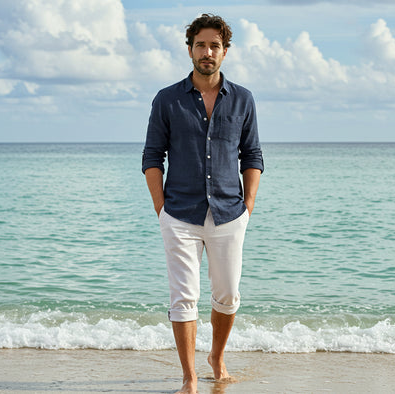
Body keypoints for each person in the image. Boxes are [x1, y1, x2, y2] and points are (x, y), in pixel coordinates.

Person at [142, 13, 264, 394]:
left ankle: (217, 357)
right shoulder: (167, 100)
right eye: (200, 45)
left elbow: (252, 156)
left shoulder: (243, 99)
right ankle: (189, 378)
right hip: (179, 214)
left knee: (227, 295)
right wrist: (161, 210)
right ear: (189, 49)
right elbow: (152, 157)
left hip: (229, 213)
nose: (207, 52)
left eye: (214, 46)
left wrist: (248, 207)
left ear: (225, 51)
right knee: (183, 298)